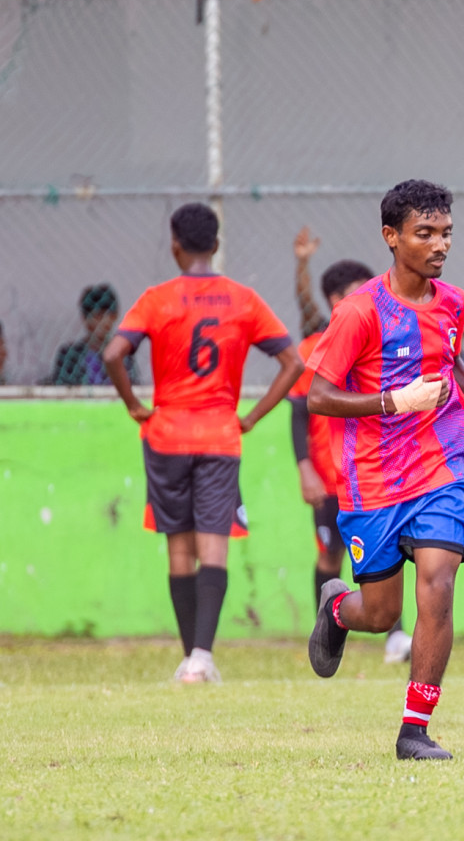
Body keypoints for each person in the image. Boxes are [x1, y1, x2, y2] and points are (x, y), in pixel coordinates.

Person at [302, 180, 464, 760]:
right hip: (373, 477)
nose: (439, 244)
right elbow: (318, 397)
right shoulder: (359, 311)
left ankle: (414, 729)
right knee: (381, 612)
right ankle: (339, 610)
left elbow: (448, 357)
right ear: (391, 238)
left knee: (439, 579)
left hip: (442, 463)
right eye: (425, 234)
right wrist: (394, 401)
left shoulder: (454, 301)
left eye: (445, 233)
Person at [101, 203, 304, 684]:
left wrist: (134, 404)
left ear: (174, 245)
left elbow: (113, 352)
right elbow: (293, 363)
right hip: (219, 435)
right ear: (215, 245)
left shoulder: (156, 298)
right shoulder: (243, 299)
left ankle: (188, 656)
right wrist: (251, 416)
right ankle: (202, 656)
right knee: (215, 543)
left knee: (179, 546)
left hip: (166, 433)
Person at [285, 237, 415, 662]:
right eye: (355, 291)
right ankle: (325, 623)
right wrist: (305, 467)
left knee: (390, 550)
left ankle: (396, 634)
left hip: (377, 471)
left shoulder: (383, 342)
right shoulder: (314, 347)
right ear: (335, 300)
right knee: (331, 552)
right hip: (331, 473)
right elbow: (300, 413)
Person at [50, 284, 136, 386]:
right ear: (85, 319)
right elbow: (60, 389)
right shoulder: (70, 354)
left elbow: (133, 386)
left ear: (114, 317)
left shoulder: (123, 355)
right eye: (96, 316)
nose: (101, 323)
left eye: (106, 316)